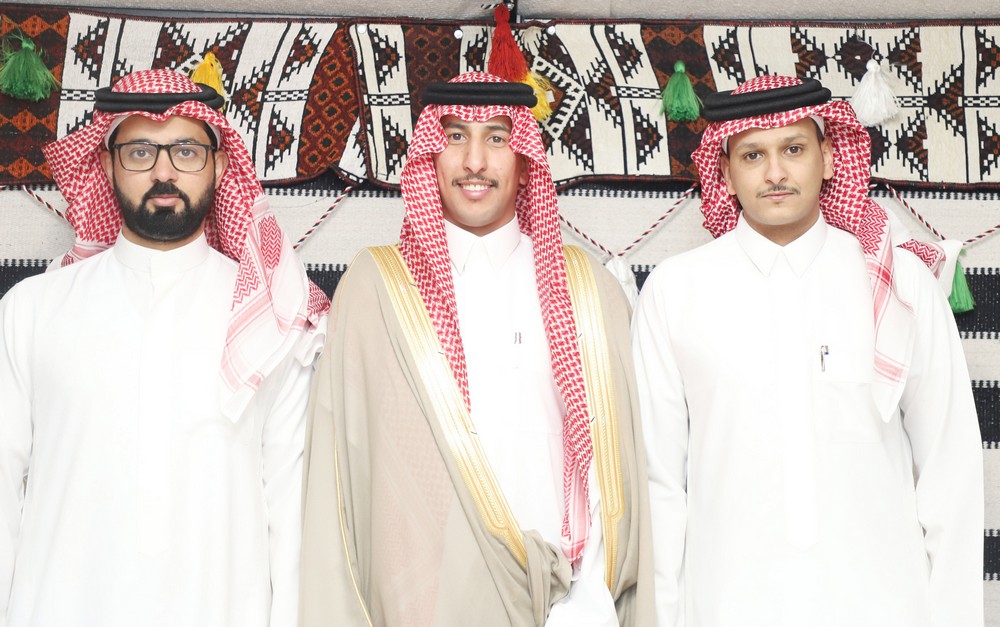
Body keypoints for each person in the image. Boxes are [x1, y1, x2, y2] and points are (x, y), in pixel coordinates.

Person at [299, 72, 653, 626]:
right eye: (455, 137)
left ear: (526, 161)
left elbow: (619, 469)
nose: (474, 161)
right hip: (428, 600)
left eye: (497, 138)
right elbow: (344, 469)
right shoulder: (378, 287)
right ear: (429, 156)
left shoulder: (588, 288)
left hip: (568, 601)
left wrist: (589, 599)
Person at [633, 74, 984, 627]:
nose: (775, 173)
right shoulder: (675, 291)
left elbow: (950, 467)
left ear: (828, 156)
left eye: (793, 149)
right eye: (753, 155)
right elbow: (658, 483)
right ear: (725, 171)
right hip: (726, 607)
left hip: (883, 608)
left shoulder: (899, 283)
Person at [0, 69, 328, 627]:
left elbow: (291, 507)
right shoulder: (32, 310)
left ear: (220, 165)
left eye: (186, 151)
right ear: (106, 165)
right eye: (140, 152)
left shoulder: (272, 322)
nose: (163, 172)